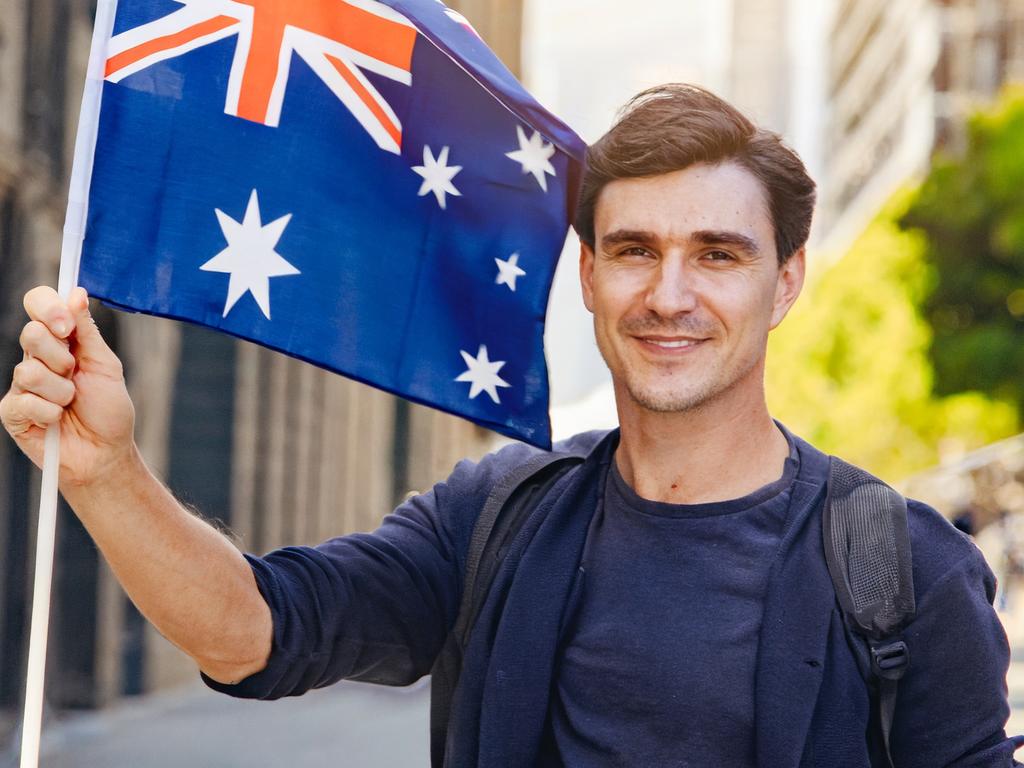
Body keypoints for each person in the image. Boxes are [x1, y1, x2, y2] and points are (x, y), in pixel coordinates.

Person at [1, 84, 1017, 767]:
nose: (668, 295)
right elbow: (257, 633)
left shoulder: (903, 571)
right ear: (585, 274)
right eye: (632, 250)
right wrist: (106, 471)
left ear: (783, 282)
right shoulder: (493, 517)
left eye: (717, 254)